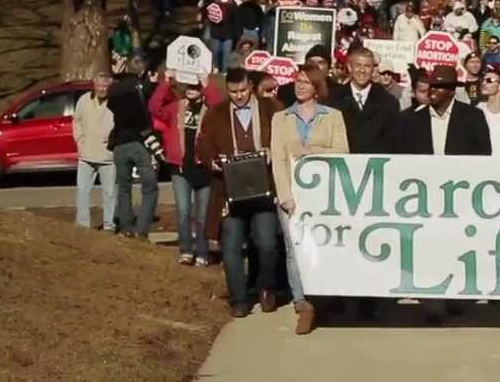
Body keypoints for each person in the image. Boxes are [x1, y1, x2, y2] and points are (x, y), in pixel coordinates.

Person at [197, 68, 283, 317]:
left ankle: (266, 288)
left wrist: (271, 151)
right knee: (231, 247)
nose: (239, 96)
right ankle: (239, 299)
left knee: (267, 243)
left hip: (264, 189)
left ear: (251, 86)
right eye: (234, 92)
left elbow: (285, 139)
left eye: (243, 90)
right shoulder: (216, 114)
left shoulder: (272, 109)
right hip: (229, 191)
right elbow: (202, 145)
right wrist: (213, 161)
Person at [272, 64, 350, 335]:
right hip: (292, 194)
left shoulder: (333, 116)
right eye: (298, 80)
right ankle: (302, 302)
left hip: (323, 196)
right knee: (294, 249)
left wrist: (312, 151)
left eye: (306, 82)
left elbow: (342, 151)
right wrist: (285, 196)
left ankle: (325, 296)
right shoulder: (281, 118)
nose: (300, 85)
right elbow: (278, 160)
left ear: (317, 87)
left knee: (324, 244)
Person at [149, 72, 215, 266]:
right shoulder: (175, 108)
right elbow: (154, 107)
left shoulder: (209, 109)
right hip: (180, 168)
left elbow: (221, 105)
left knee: (203, 215)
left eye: (196, 87)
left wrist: (207, 84)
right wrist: (166, 82)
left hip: (203, 168)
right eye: (189, 87)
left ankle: (202, 252)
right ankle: (186, 251)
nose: (192, 90)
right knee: (184, 212)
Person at [106, 55, 160, 241]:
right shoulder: (142, 87)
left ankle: (126, 227)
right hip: (139, 142)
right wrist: (152, 84)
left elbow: (111, 105)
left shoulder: (114, 89)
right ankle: (142, 229)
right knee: (150, 187)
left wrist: (116, 76)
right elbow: (152, 106)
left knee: (123, 187)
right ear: (143, 71)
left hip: (119, 143)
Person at [394, 66, 492, 156]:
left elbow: (483, 154)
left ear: (452, 91)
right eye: (431, 86)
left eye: (439, 86)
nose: (432, 89)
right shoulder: (411, 120)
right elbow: (403, 156)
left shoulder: (473, 117)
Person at [330, 47, 400, 154]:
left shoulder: (389, 103)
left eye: (367, 66)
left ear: (373, 70)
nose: (362, 70)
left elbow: (393, 142)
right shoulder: (333, 99)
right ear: (349, 67)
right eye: (358, 65)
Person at [73, 72, 117, 231]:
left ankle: (109, 225)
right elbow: (76, 121)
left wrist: (112, 140)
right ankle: (82, 224)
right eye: (99, 86)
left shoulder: (115, 102)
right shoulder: (84, 100)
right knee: (82, 191)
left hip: (107, 157)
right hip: (86, 155)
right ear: (94, 85)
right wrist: (80, 140)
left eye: (105, 87)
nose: (102, 89)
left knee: (110, 193)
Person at [205, 0, 241, 72]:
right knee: (216, 51)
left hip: (228, 33)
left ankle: (224, 70)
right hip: (216, 32)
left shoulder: (233, 4)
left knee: (226, 53)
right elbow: (207, 14)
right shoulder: (213, 2)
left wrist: (236, 33)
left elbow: (236, 19)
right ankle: (216, 66)